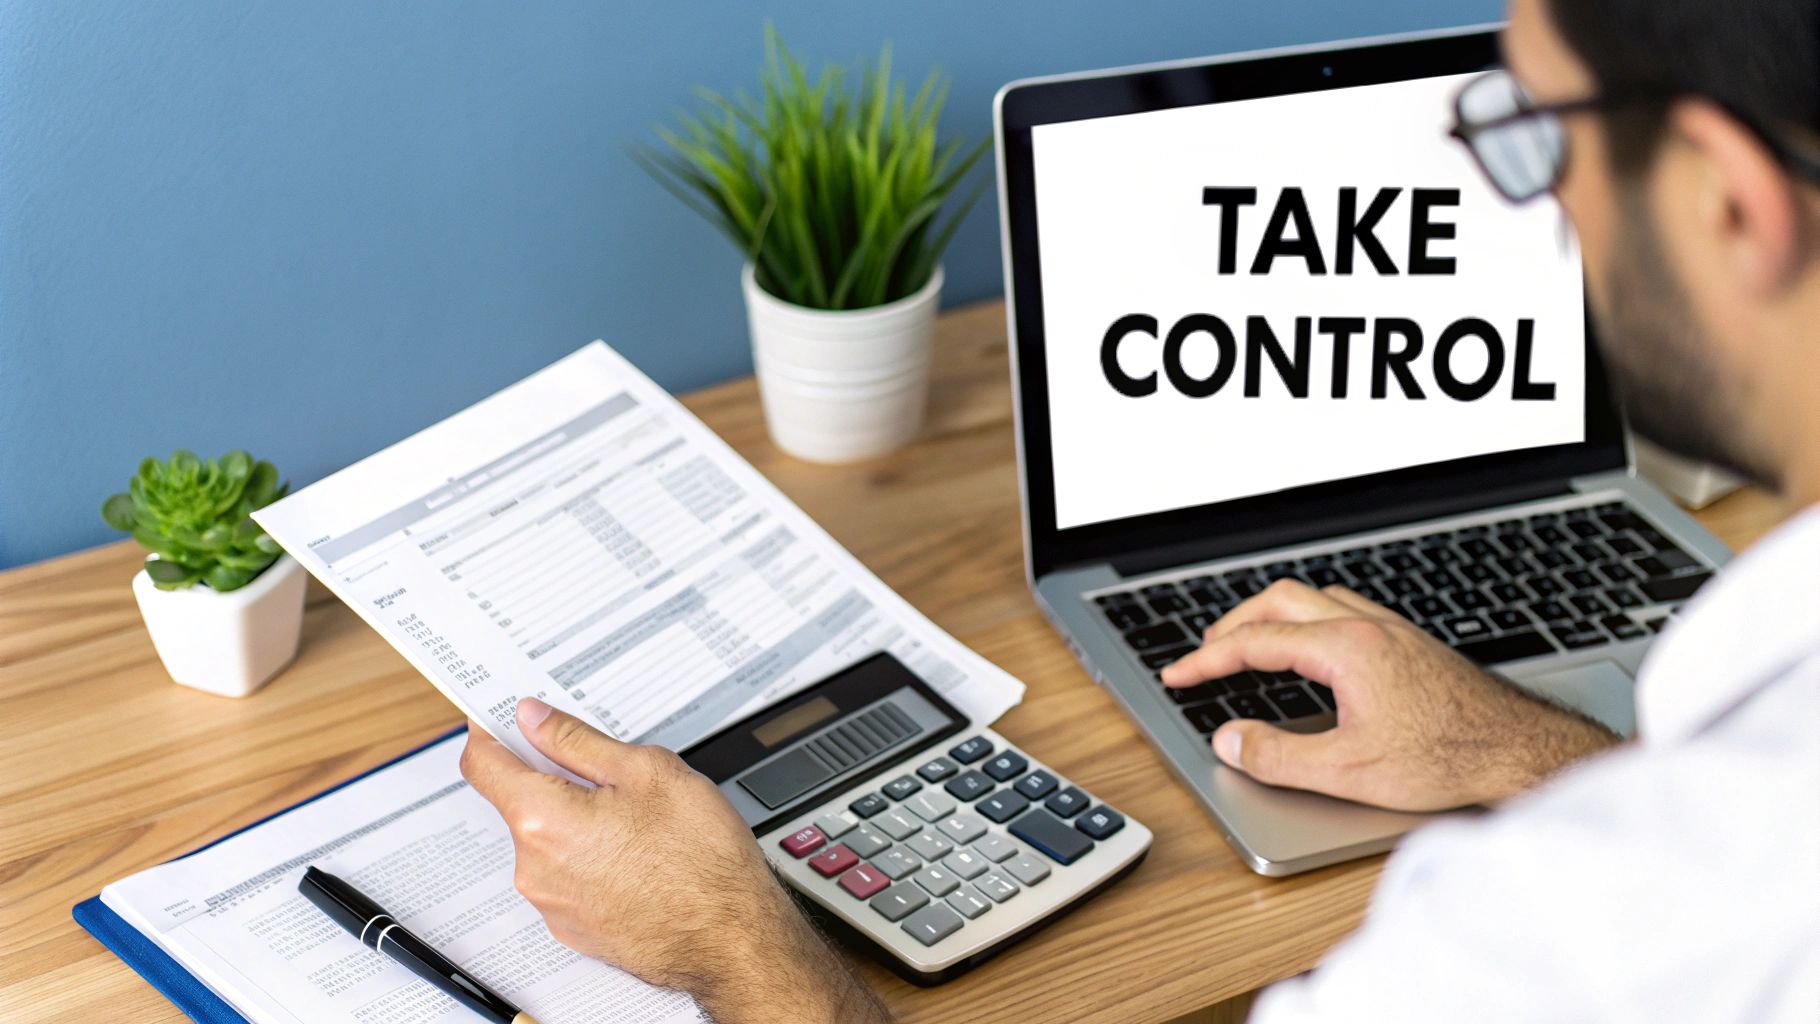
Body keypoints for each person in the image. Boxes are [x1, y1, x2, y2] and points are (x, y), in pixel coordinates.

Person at [456, 0, 1820, 1019]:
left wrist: (728, 942)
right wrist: (1528, 751)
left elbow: (1698, 879)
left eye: (1535, 143)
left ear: (1729, 200)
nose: (1535, 216)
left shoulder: (1579, 934)